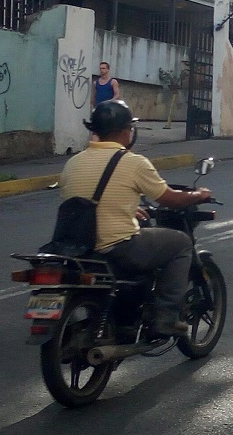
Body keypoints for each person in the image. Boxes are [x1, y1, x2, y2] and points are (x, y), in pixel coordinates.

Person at [59, 100, 211, 337]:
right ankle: (165, 318)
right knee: (181, 243)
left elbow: (88, 202)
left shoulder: (72, 163)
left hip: (79, 248)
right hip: (116, 247)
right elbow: (169, 199)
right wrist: (197, 195)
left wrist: (128, 211)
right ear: (125, 131)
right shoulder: (133, 162)